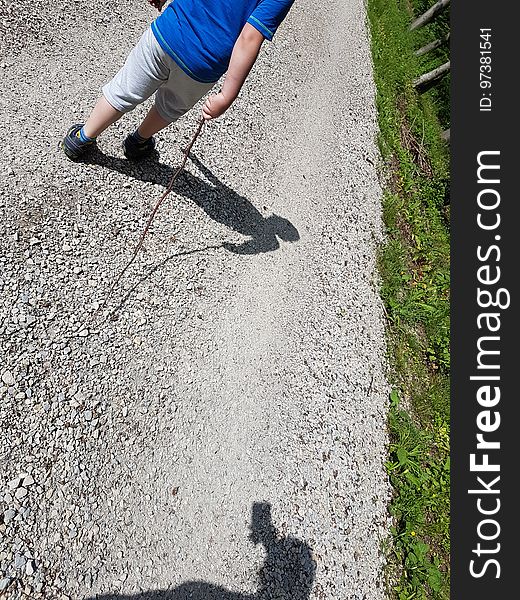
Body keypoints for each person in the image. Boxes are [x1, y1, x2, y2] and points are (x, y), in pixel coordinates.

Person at [62, 0, 295, 161]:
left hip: (167, 33)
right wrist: (227, 95)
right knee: (170, 105)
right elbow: (250, 37)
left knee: (124, 89)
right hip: (203, 63)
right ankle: (138, 141)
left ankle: (83, 137)